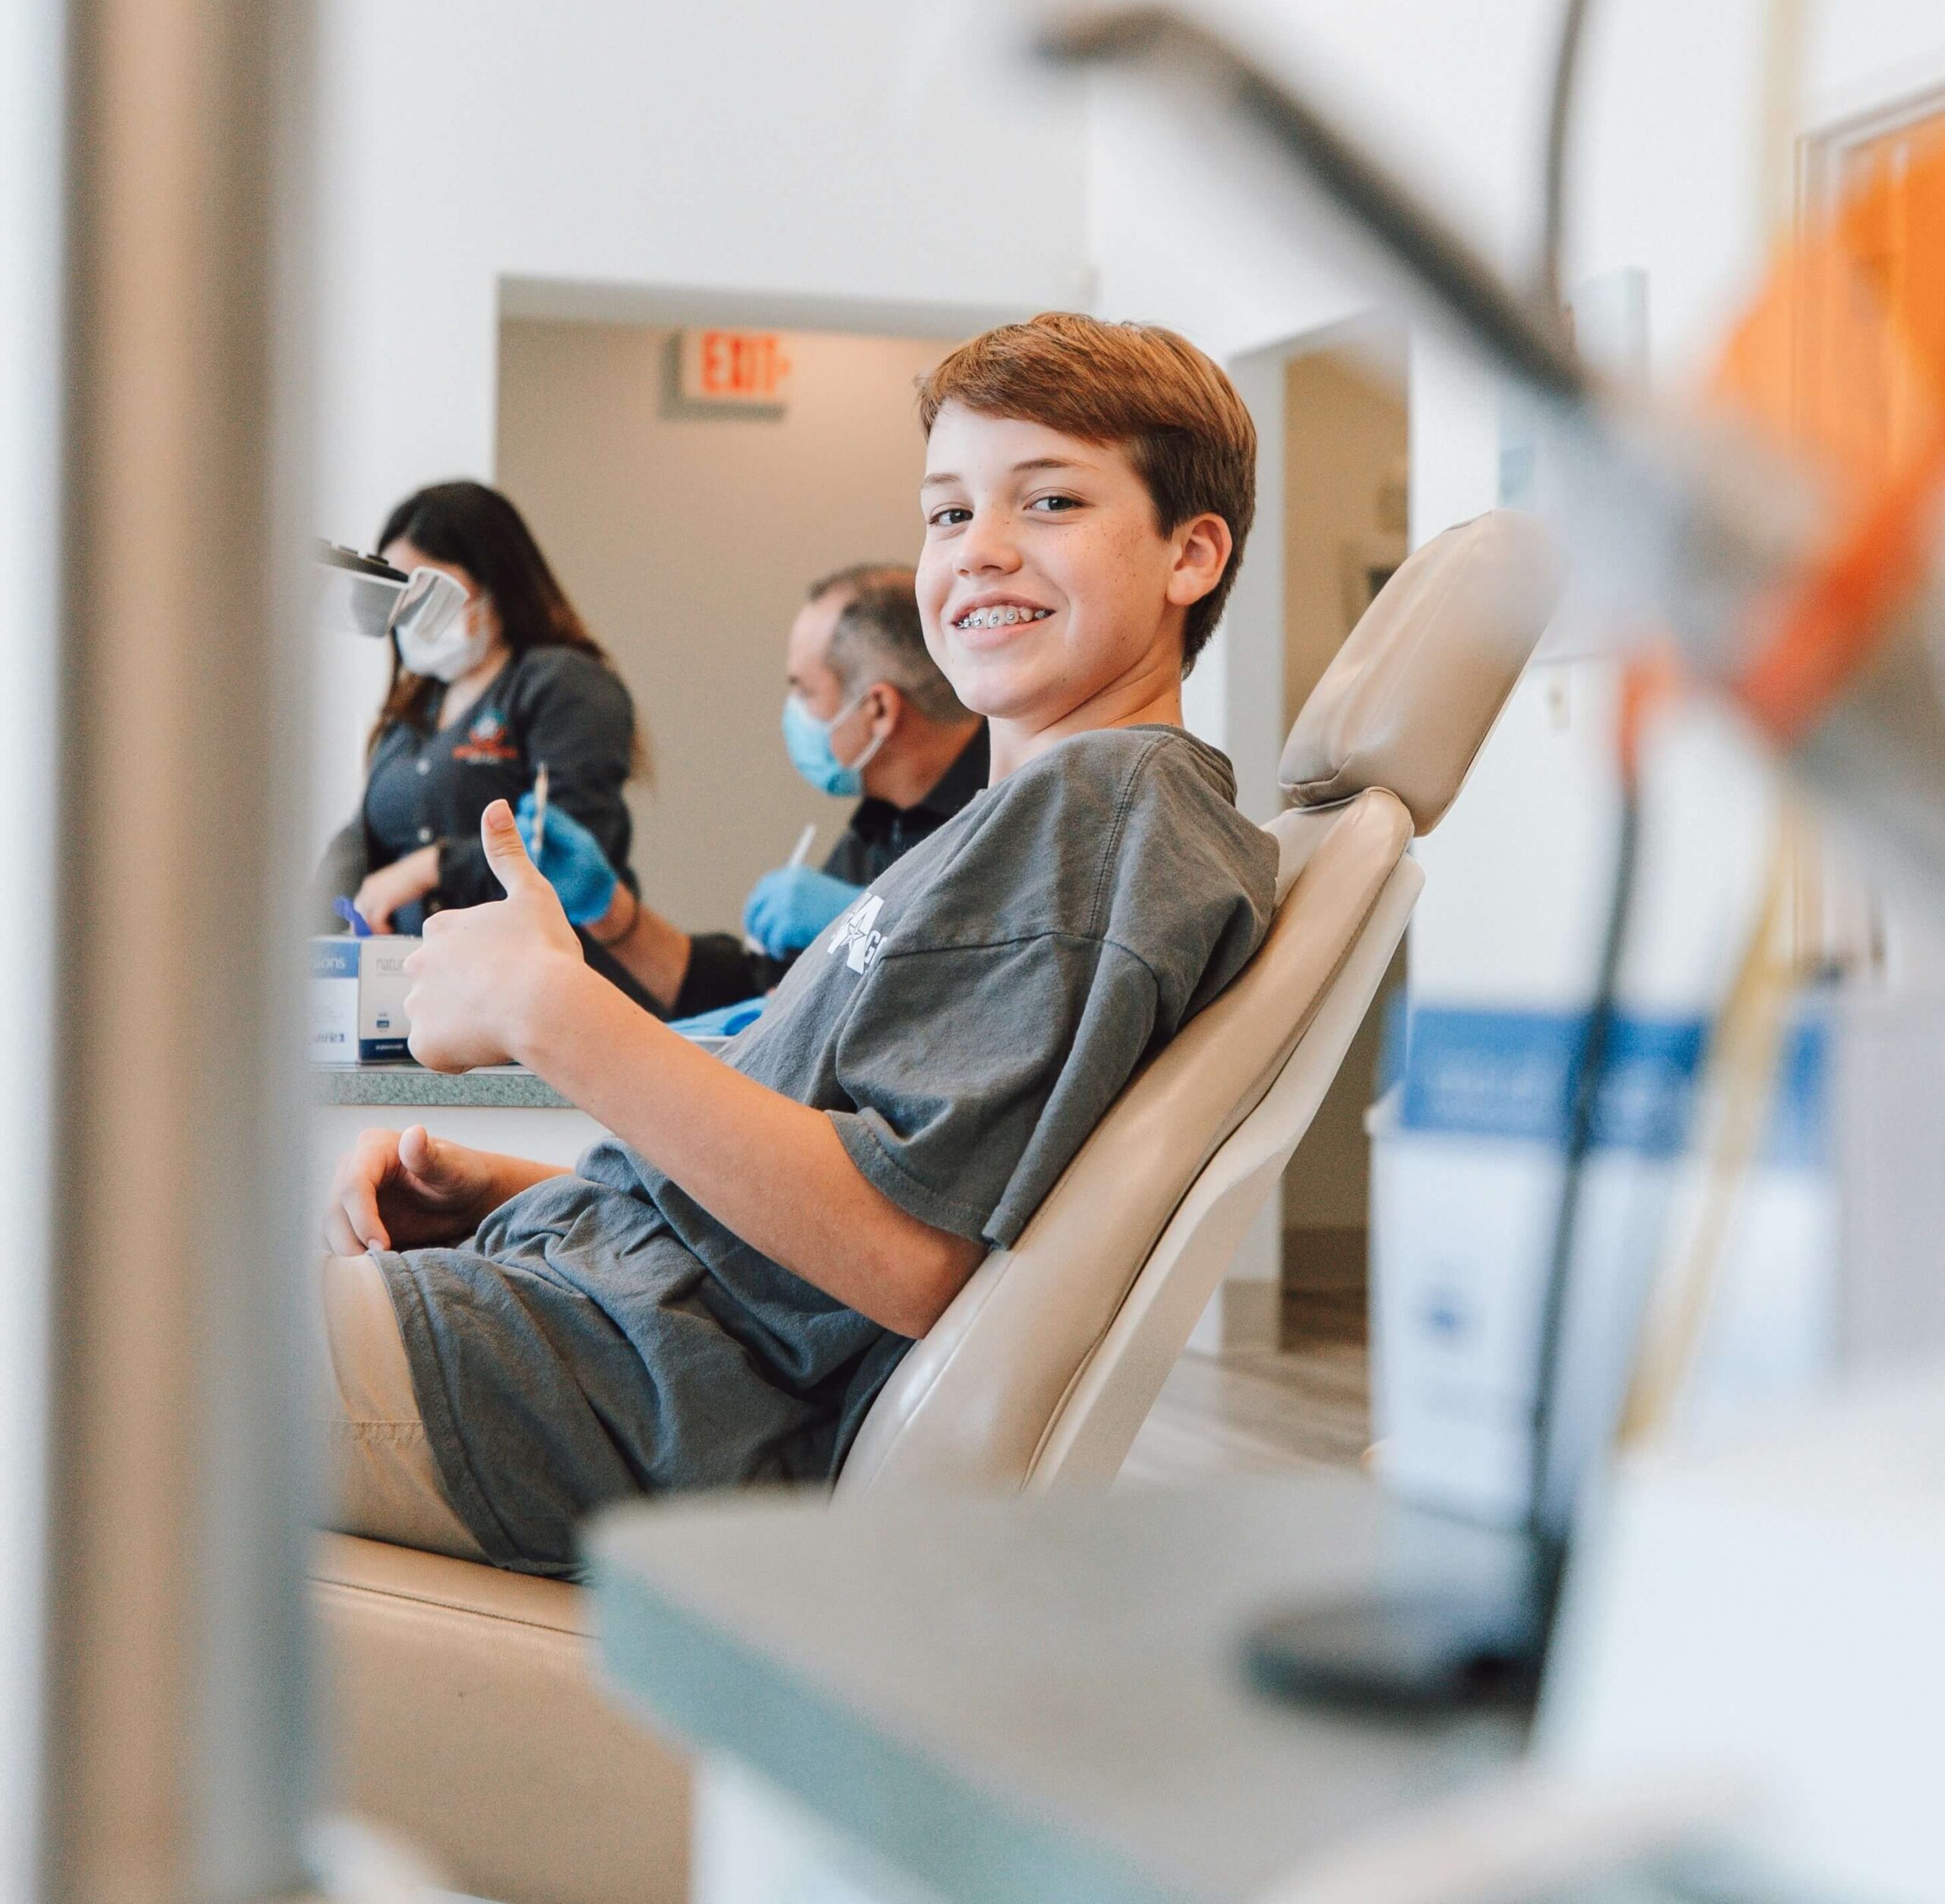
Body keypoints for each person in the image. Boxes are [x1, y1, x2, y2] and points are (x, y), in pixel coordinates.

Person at [321, 313, 1279, 1576]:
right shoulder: (1014, 828)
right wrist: (516, 1188)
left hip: (617, 1396)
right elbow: (811, 1210)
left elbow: (905, 1257)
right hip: (584, 1327)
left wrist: (552, 1013)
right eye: (948, 514)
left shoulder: (1101, 814)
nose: (981, 550)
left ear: (1189, 554)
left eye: (1048, 502)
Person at [519, 564, 987, 1019]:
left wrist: (868, 921)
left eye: (803, 690)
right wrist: (609, 910)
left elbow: (989, 997)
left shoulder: (1004, 815)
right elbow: (761, 993)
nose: (792, 712)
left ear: (879, 708)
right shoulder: (880, 824)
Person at [315, 480, 655, 1008]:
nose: (412, 614)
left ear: (495, 579)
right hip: (429, 999)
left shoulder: (562, 684)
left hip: (547, 997)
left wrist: (429, 866)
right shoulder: (413, 710)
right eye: (399, 596)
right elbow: (365, 837)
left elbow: (566, 838)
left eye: (425, 588)